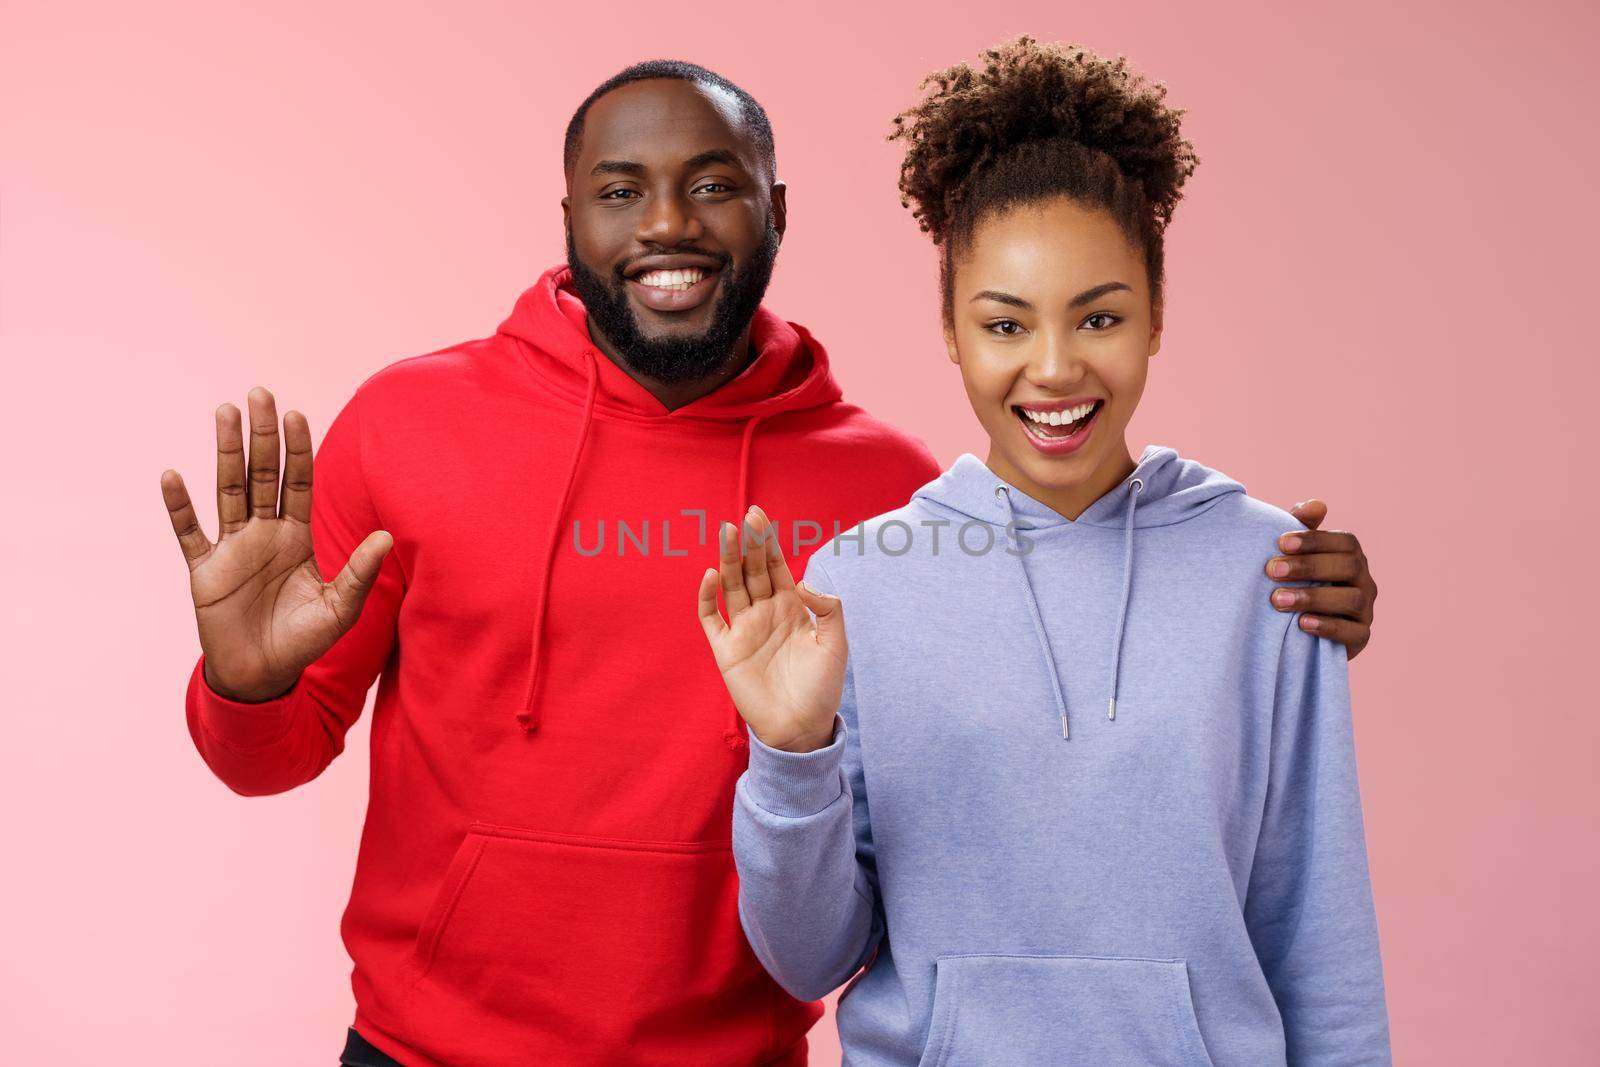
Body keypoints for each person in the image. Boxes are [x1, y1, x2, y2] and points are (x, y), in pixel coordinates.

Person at [160, 59, 1379, 1067]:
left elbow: (1054, 628)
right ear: (570, 214)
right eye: (621, 190)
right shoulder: (410, 423)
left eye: (711, 186)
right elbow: (264, 760)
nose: (668, 225)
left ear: (778, 209)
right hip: (424, 1054)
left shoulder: (887, 501)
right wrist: (250, 682)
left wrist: (1276, 585)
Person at [704, 37, 1390, 1066]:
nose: (1055, 366)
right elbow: (808, 959)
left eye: (1099, 315)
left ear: (1156, 314)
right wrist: (791, 756)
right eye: (1005, 324)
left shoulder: (1269, 572)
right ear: (949, 329)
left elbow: (1320, 938)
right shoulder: (859, 585)